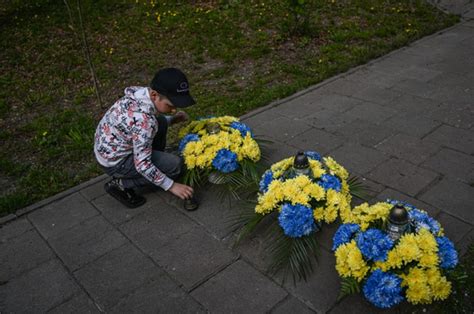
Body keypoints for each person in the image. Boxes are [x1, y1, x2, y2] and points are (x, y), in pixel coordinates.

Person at [94, 67, 198, 210]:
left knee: (160, 121)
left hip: (109, 149)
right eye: (171, 105)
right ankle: (121, 184)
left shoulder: (140, 95)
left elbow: (139, 126)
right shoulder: (144, 122)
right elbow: (142, 165)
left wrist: (171, 120)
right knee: (175, 165)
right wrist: (172, 186)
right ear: (155, 95)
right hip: (116, 163)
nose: (174, 110)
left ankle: (154, 158)